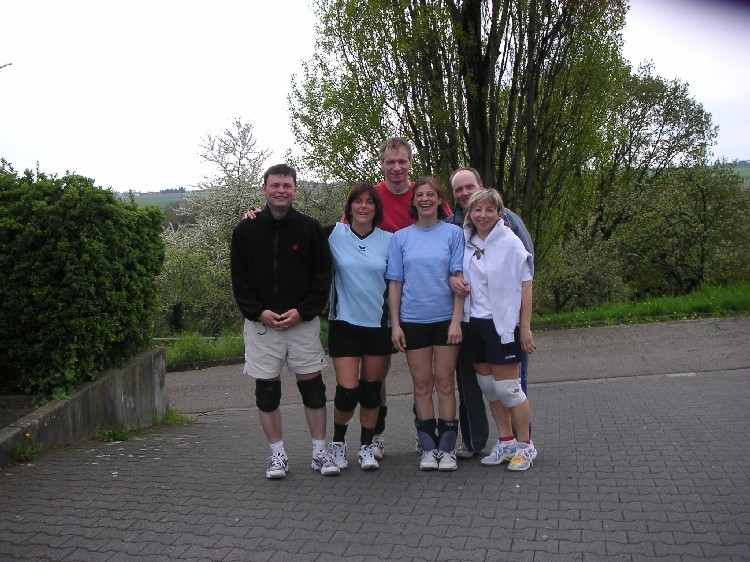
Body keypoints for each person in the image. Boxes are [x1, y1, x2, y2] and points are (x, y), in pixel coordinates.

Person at [230, 163, 340, 480]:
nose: (281, 190)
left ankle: (319, 452)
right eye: (275, 185)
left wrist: (303, 311)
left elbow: (322, 277)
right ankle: (277, 456)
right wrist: (257, 311)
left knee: (314, 390)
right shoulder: (245, 231)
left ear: (295, 190)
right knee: (267, 394)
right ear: (264, 189)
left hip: (302, 325)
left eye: (287, 185)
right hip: (262, 326)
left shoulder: (310, 229)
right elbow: (240, 279)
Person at [447, 167, 535, 459]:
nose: (482, 215)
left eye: (489, 210)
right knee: (490, 389)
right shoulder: (466, 240)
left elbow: (526, 285)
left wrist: (525, 327)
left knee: (509, 389)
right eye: (477, 210)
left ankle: (526, 446)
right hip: (474, 325)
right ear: (470, 213)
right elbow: (458, 280)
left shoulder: (510, 240)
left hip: (503, 327)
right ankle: (506, 441)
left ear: (499, 213)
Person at [386, 177, 464, 471]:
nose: (425, 199)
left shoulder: (453, 234)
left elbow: (459, 279)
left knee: (445, 383)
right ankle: (428, 447)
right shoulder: (401, 238)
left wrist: (456, 321)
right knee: (421, 385)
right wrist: (396, 324)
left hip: (445, 320)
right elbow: (395, 283)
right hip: (413, 321)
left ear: (439, 199)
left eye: (430, 194)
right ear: (414, 201)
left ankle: (447, 447)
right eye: (419, 195)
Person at [326, 183, 394, 471]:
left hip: (378, 326)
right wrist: (256, 214)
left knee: (371, 390)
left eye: (369, 202)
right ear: (350, 206)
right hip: (344, 323)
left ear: (376, 209)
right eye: (358, 201)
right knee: (347, 390)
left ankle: (366, 446)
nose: (363, 206)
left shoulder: (390, 240)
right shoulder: (333, 234)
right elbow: (294, 231)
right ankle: (338, 444)